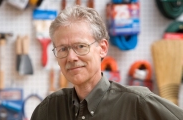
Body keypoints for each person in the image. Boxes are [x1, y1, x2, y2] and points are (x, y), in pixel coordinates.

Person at [31, 5, 183, 120]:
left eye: (81, 46)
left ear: (102, 48)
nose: (71, 57)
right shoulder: (49, 109)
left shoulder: (137, 103)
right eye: (63, 49)